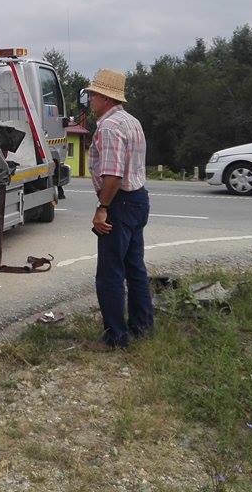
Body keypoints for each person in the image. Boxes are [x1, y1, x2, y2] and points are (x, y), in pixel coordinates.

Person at [86, 68, 153, 349]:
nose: (90, 100)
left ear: (104, 97)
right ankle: (142, 326)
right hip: (138, 199)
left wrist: (103, 207)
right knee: (134, 267)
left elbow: (113, 175)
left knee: (110, 273)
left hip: (119, 202)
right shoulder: (131, 121)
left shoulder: (109, 127)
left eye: (92, 95)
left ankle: (116, 337)